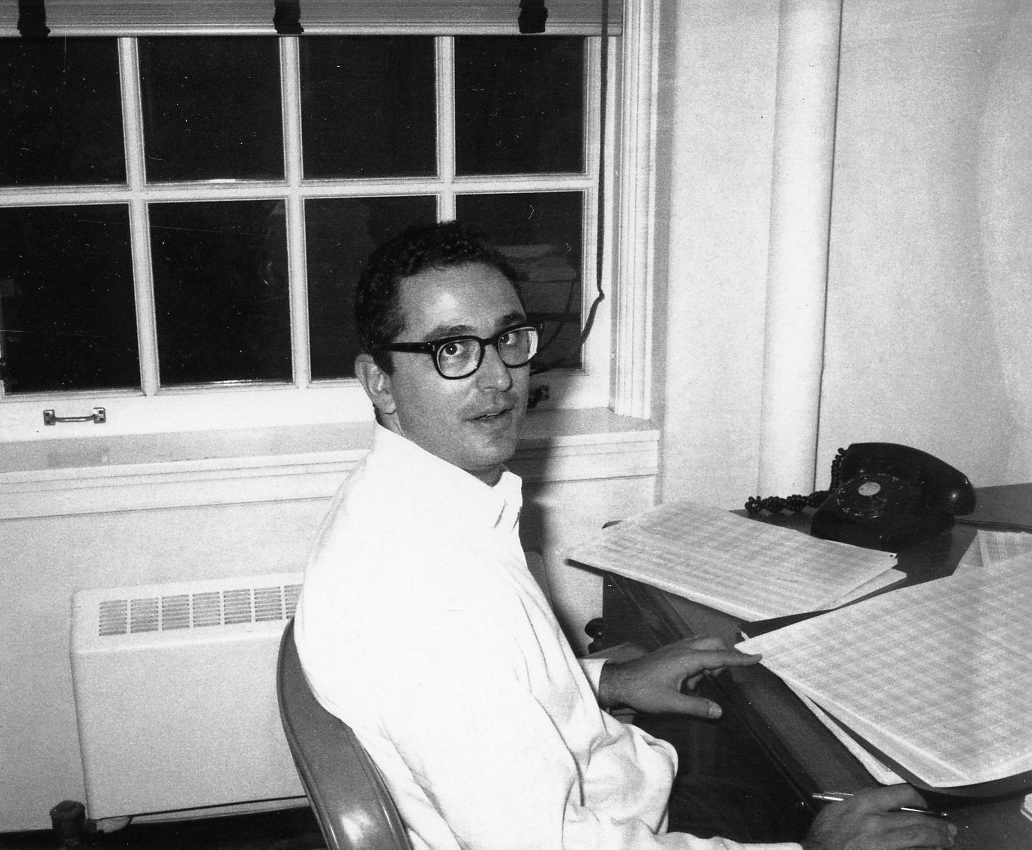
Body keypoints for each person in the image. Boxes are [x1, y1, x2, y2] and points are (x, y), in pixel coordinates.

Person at [293, 221, 957, 850]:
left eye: (509, 338)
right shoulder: (427, 596)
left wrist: (605, 680)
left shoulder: (405, 502)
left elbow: (480, 700)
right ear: (379, 381)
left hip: (618, 786)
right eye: (452, 349)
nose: (497, 378)